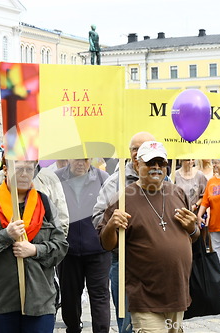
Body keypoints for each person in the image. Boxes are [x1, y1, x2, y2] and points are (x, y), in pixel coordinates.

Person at [98, 141, 199, 332]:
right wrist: (111, 224)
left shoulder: (177, 192)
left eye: (161, 163)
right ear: (137, 165)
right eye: (150, 163)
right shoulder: (124, 199)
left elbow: (193, 236)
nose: (156, 168)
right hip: (145, 298)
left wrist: (193, 228)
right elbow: (107, 244)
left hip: (177, 295)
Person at [0, 160, 68, 332]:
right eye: (19, 169)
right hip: (0, 300)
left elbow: (61, 246)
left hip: (39, 300)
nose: (24, 174)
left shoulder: (44, 204)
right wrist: (6, 235)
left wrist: (35, 250)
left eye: (29, 169)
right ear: (5, 170)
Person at [92, 131, 155, 333]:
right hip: (125, 265)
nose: (138, 153)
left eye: (143, 148)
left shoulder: (164, 179)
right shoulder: (115, 182)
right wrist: (112, 222)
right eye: (134, 149)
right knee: (129, 325)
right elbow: (97, 219)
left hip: (158, 264)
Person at [55, 158, 110, 333]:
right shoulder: (56, 179)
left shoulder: (102, 178)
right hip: (67, 250)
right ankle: (72, 328)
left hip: (98, 250)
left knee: (100, 296)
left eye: (85, 159)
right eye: (77, 158)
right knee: (69, 297)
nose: (81, 162)